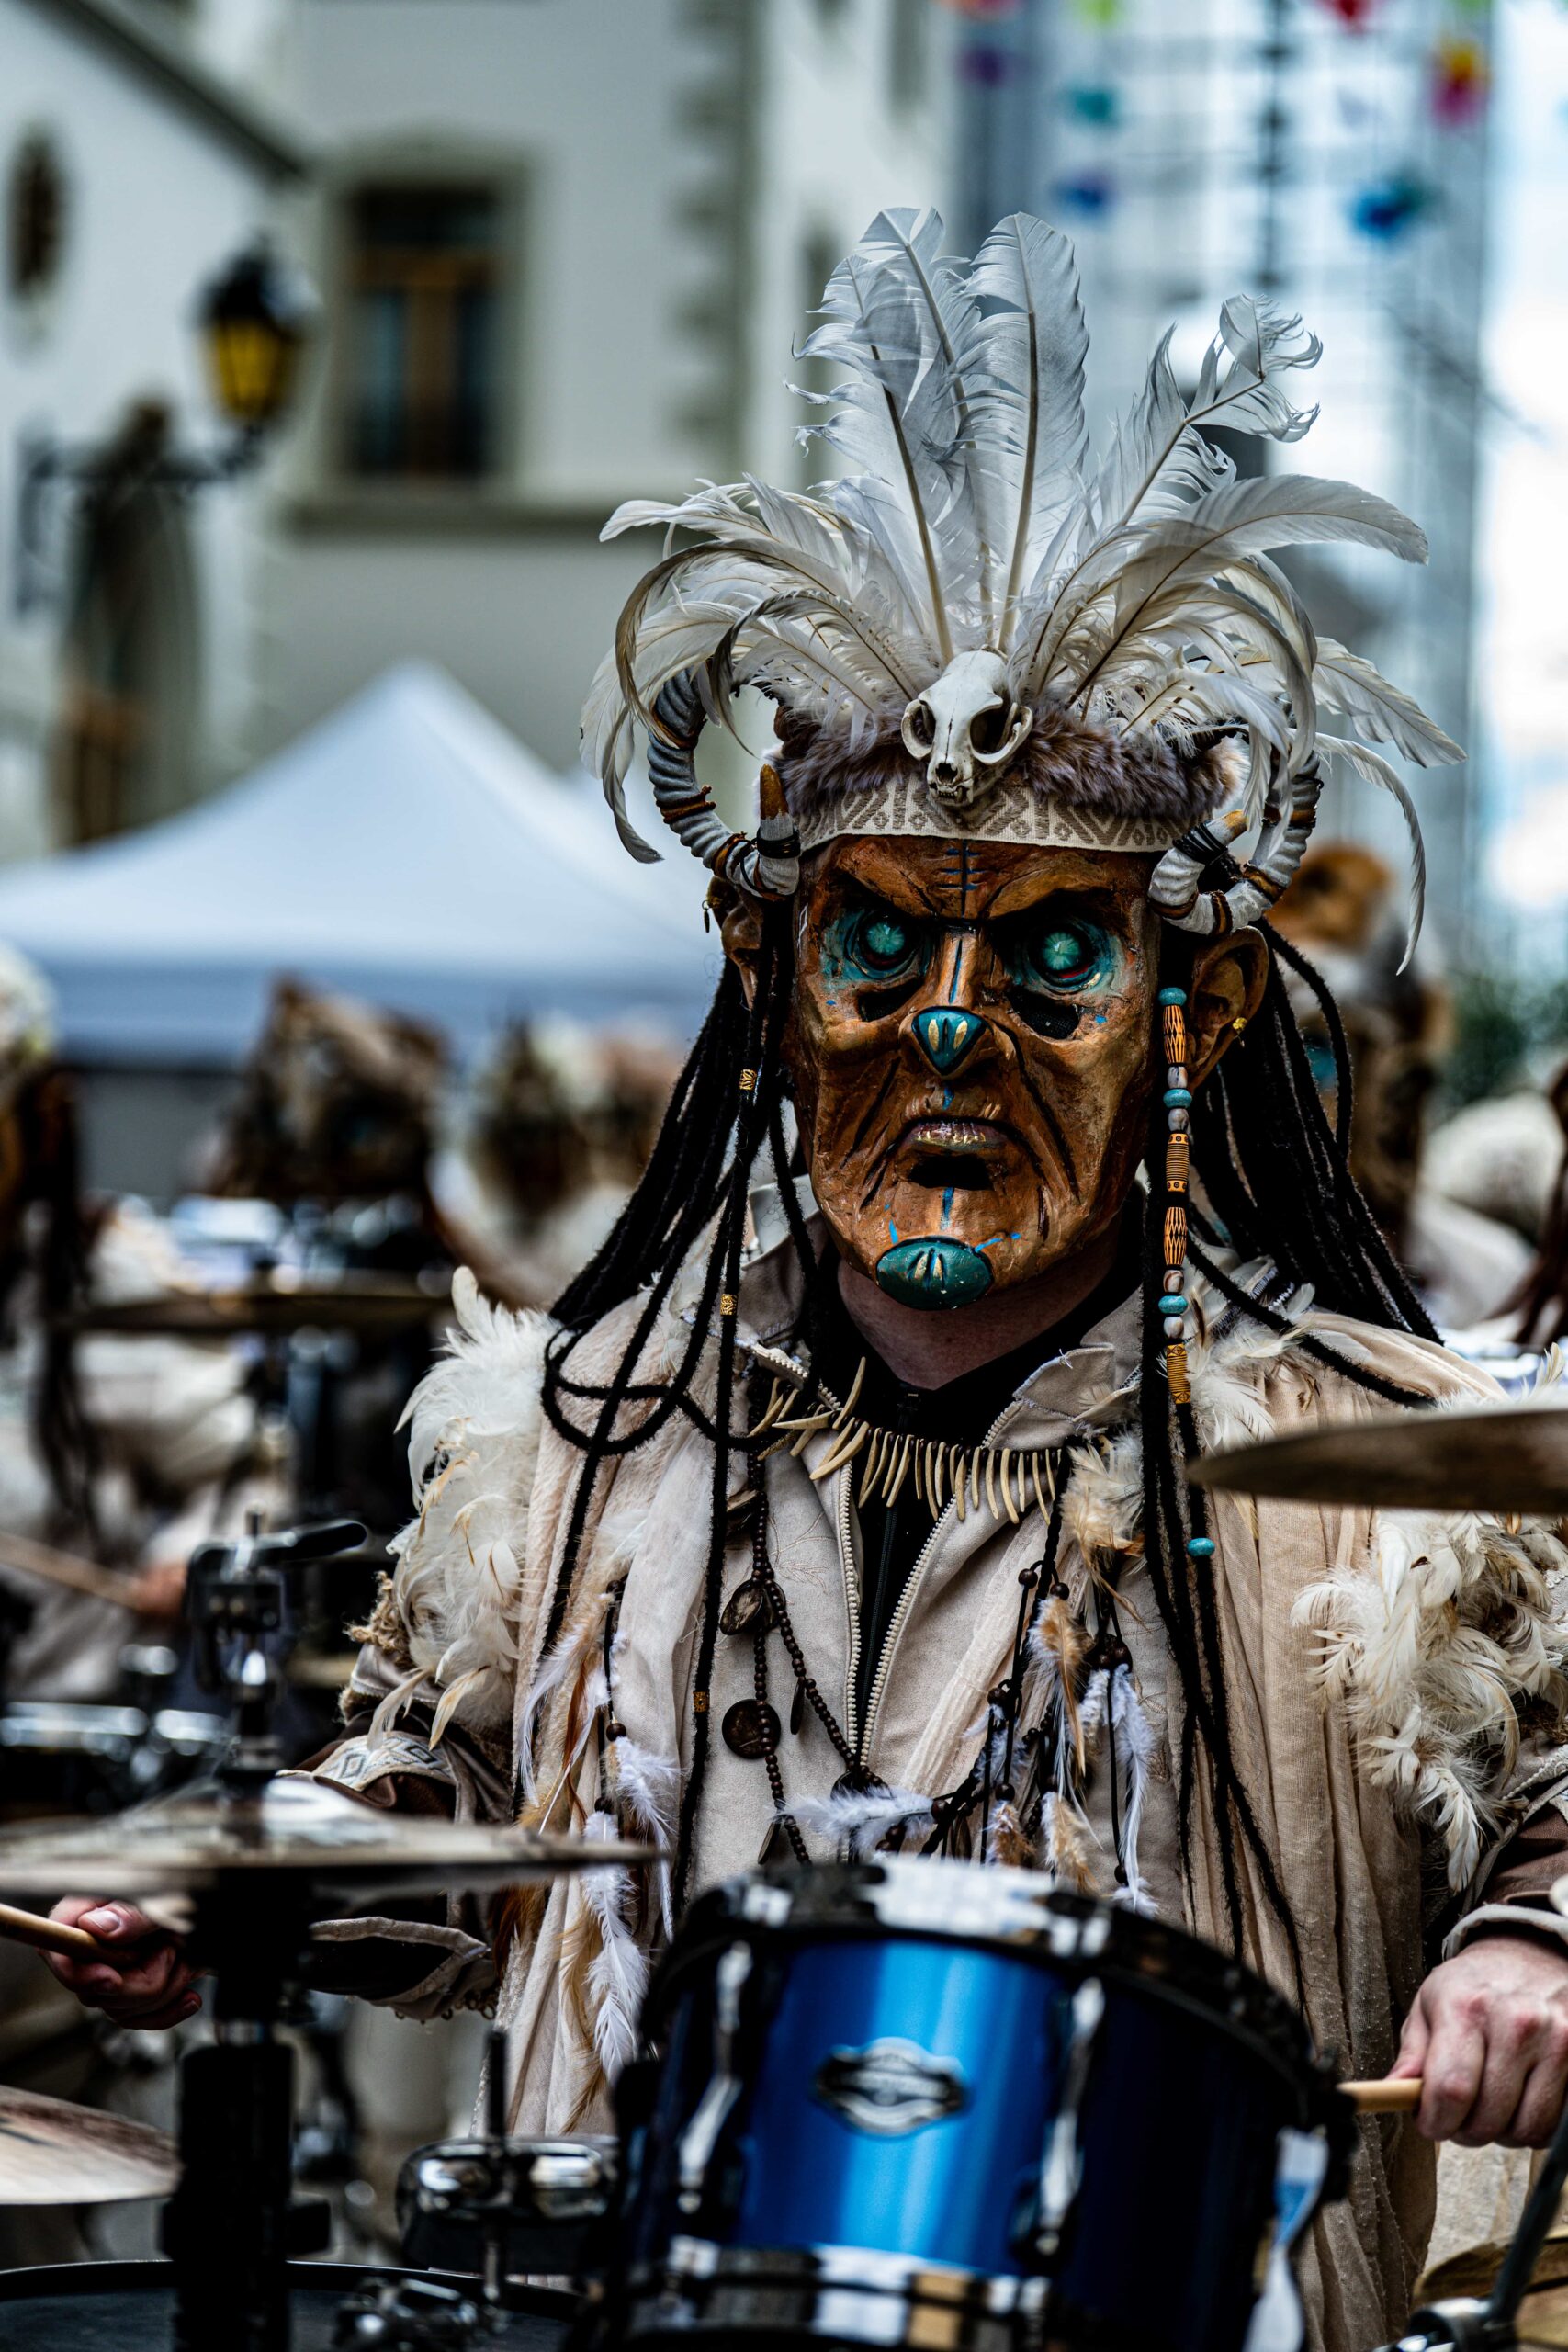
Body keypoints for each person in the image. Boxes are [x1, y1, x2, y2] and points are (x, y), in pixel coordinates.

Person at [48, 214, 1568, 2352]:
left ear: (1192, 1011)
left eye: (1049, 954)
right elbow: (447, 1809)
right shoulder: (566, 1451)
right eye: (874, 946)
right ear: (766, 982)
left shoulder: (1391, 1488)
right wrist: (244, 1887)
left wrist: (1526, 1937)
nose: (945, 1030)